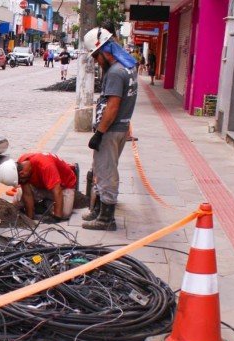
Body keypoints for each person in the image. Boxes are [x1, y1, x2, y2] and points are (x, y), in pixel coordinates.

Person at [82, 27, 138, 231]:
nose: (97, 61)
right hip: (119, 128)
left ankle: (106, 219)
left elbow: (113, 106)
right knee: (101, 169)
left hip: (111, 129)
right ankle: (98, 210)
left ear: (105, 51)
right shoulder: (128, 65)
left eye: (96, 57)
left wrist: (99, 133)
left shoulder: (115, 72)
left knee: (106, 172)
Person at [0, 153, 78, 223]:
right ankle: (46, 203)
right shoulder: (21, 163)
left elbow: (57, 191)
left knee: (64, 213)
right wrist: (30, 218)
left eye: (19, 181)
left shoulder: (45, 165)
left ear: (22, 174)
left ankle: (46, 203)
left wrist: (56, 217)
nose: (19, 183)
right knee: (17, 201)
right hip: (42, 184)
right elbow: (27, 194)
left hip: (63, 185)